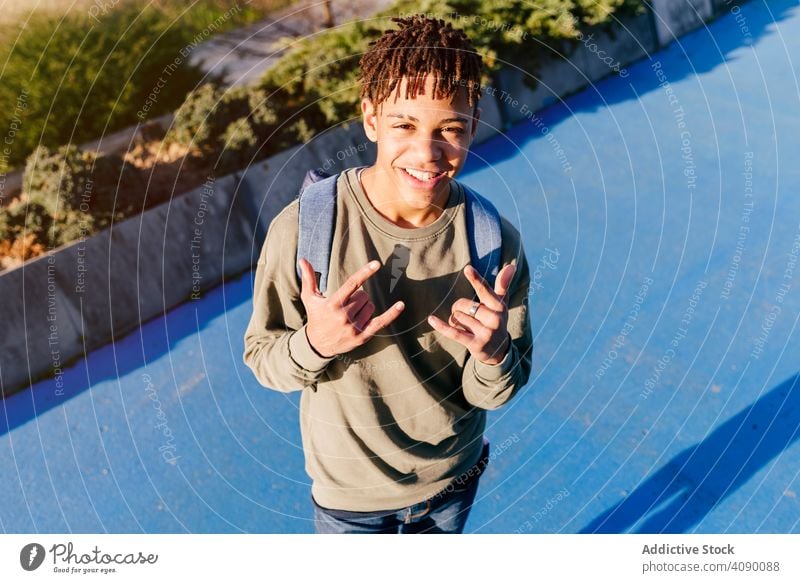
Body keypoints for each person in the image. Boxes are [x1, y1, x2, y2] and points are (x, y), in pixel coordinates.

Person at [243, 14, 533, 534]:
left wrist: (492, 355)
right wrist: (315, 342)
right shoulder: (307, 228)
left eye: (451, 128)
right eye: (405, 125)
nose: (428, 152)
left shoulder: (493, 241)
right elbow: (264, 361)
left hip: (452, 481)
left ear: (473, 124)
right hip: (349, 498)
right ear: (371, 118)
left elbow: (493, 392)